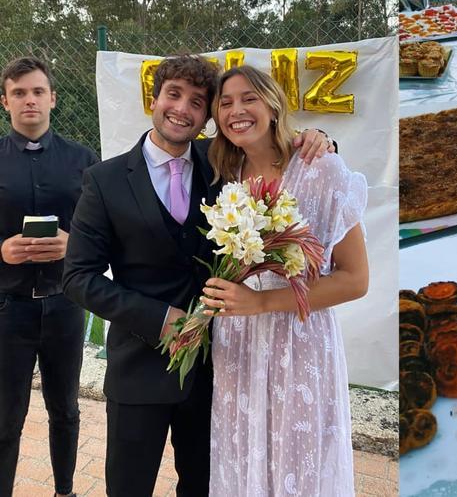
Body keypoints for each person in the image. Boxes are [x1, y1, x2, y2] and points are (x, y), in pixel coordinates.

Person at [63, 56, 331, 495]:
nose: (183, 109)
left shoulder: (221, 164)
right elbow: (78, 277)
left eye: (197, 102)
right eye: (174, 95)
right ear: (155, 98)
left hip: (218, 371)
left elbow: (277, 147)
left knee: (206, 487)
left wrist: (319, 139)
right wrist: (159, 319)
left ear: (208, 117)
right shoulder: (104, 180)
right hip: (140, 370)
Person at [199, 66, 368, 495]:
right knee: (244, 459)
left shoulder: (321, 169)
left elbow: (355, 279)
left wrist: (261, 303)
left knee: (299, 458)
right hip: (238, 343)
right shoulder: (224, 175)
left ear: (273, 105)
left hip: (298, 338)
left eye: (248, 98)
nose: (237, 110)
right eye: (225, 102)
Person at [0, 57, 98, 497]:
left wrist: (72, 242)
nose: (29, 100)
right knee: (5, 417)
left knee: (66, 411)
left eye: (38, 91)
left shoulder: (83, 160)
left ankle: (64, 491)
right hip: (8, 310)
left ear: (53, 98)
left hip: (65, 304)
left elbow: (104, 230)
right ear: (5, 102)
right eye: (19, 93)